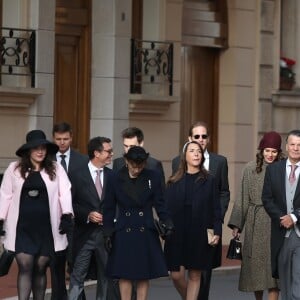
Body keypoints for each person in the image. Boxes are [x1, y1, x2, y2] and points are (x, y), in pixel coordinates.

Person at [0, 129, 73, 300]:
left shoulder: (56, 169)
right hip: (22, 229)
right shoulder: (14, 169)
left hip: (47, 229)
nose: (40, 151)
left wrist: (67, 215)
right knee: (25, 267)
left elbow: (65, 192)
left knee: (40, 269)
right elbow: (5, 195)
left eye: (43, 148)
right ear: (28, 151)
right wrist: (0, 218)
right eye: (35, 148)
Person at [103, 146, 173, 300]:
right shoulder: (115, 177)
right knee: (124, 274)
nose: (137, 170)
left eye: (140, 166)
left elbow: (160, 203)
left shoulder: (152, 176)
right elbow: (108, 207)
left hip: (145, 229)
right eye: (134, 165)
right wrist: (107, 232)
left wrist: (167, 222)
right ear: (127, 161)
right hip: (123, 230)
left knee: (143, 274)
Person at [172, 121, 230, 300]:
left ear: (209, 139)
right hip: (182, 226)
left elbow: (223, 192)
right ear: (190, 139)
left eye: (204, 136)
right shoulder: (177, 162)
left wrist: (216, 220)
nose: (201, 140)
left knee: (203, 274)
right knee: (177, 273)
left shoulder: (220, 162)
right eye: (196, 136)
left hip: (207, 225)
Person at [228, 131, 284, 300]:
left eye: (274, 151)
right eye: (267, 150)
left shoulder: (283, 168)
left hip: (276, 222)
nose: (270, 154)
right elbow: (243, 197)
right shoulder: (250, 168)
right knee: (256, 271)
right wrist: (237, 224)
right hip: (256, 222)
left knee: (275, 274)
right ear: (261, 150)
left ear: (279, 152)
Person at [164, 141, 222, 300]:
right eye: (192, 151)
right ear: (185, 156)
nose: (196, 153)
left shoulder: (210, 180)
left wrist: (217, 231)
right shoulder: (173, 181)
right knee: (176, 275)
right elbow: (166, 210)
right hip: (177, 233)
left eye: (199, 151)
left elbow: (216, 209)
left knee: (195, 275)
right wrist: (166, 227)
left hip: (200, 232)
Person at [68, 136, 114, 300]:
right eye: (108, 151)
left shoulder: (112, 176)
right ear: (96, 153)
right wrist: (87, 214)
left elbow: (117, 204)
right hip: (83, 235)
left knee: (106, 277)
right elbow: (69, 204)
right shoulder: (76, 174)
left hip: (106, 236)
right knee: (77, 276)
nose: (111, 154)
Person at [50, 122, 88, 300]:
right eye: (58, 139)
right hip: (52, 219)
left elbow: (86, 190)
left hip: (76, 219)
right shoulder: (46, 159)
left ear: (71, 138)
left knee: (76, 263)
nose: (62, 142)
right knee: (56, 263)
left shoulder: (82, 160)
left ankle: (78, 298)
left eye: (65, 139)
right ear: (53, 138)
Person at [262, 129, 300, 300]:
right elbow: (267, 198)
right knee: (284, 284)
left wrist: (294, 217)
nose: (296, 148)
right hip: (280, 234)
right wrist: (281, 218)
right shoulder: (273, 170)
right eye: (292, 144)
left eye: (299, 145)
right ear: (286, 146)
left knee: (297, 285)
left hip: (299, 235)